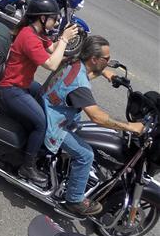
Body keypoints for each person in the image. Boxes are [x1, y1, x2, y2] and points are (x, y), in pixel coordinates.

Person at [41, 36, 143, 216]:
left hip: (51, 109)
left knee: (83, 131)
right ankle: (74, 200)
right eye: (106, 59)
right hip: (55, 124)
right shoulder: (79, 85)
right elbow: (97, 117)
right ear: (94, 59)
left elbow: (86, 74)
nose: (109, 62)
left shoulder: (75, 63)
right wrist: (130, 127)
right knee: (86, 154)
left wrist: (105, 72)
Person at [0, 0, 79, 186]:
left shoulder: (37, 33)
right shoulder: (29, 37)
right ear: (42, 18)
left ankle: (28, 144)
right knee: (41, 123)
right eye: (54, 18)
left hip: (22, 83)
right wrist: (64, 41)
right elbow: (51, 63)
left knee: (43, 96)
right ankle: (28, 166)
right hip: (11, 88)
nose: (56, 22)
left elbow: (52, 49)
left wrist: (67, 40)